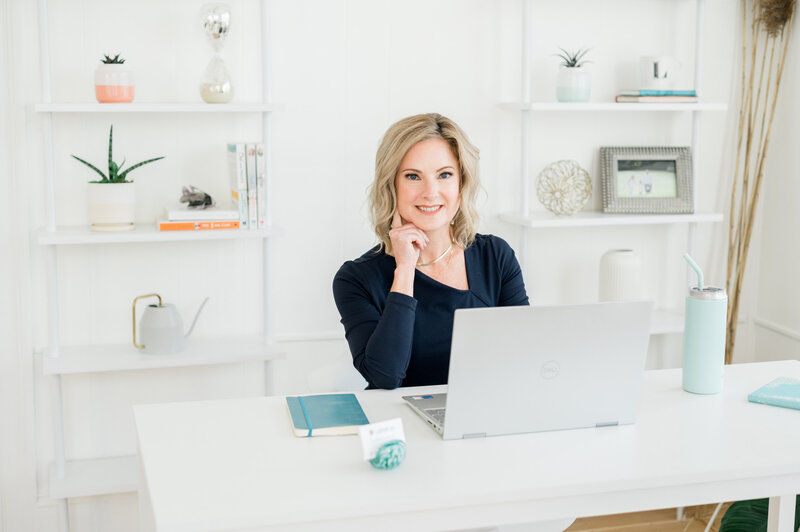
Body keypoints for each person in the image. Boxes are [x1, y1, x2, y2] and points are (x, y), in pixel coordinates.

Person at [332, 113, 529, 390]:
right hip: (400, 424)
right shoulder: (355, 278)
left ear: (461, 185)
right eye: (413, 176)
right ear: (392, 186)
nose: (430, 192)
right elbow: (384, 377)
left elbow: (525, 355)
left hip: (482, 417)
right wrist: (405, 271)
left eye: (445, 175)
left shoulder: (495, 256)